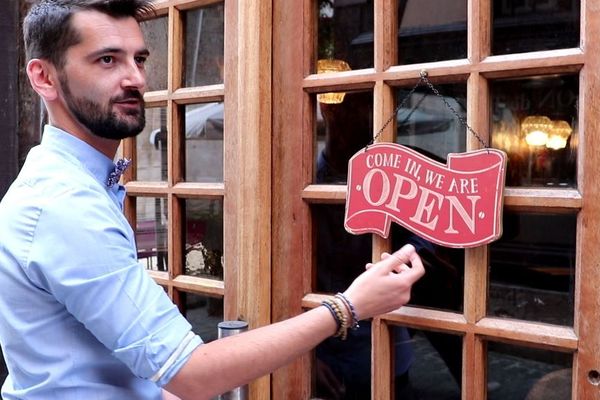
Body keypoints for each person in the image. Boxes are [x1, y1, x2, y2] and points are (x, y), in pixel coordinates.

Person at [0, 1, 426, 399]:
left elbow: (91, 362)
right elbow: (192, 372)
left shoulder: (75, 184)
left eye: (140, 59)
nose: (135, 78)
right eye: (107, 60)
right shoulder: (65, 204)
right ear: (44, 77)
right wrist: (348, 307)